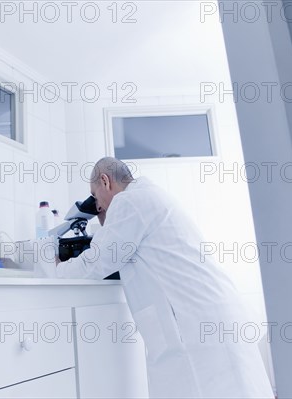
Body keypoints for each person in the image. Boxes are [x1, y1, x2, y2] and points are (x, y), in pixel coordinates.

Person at [55, 157, 274, 398]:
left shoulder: (129, 201)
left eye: (95, 197)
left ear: (105, 181)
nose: (98, 207)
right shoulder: (149, 196)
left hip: (197, 330)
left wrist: (57, 268)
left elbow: (98, 261)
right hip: (214, 317)